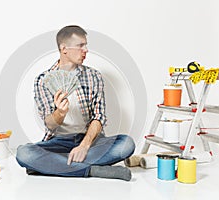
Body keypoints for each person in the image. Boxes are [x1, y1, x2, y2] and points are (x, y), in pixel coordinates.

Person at [16, 25, 135, 181]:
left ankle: (52, 166)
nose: (86, 50)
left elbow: (99, 117)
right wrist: (60, 113)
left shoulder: (94, 76)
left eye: (86, 45)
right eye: (80, 45)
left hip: (89, 141)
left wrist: (84, 146)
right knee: (24, 153)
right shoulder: (43, 80)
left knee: (126, 144)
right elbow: (50, 125)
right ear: (64, 48)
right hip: (57, 142)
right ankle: (92, 170)